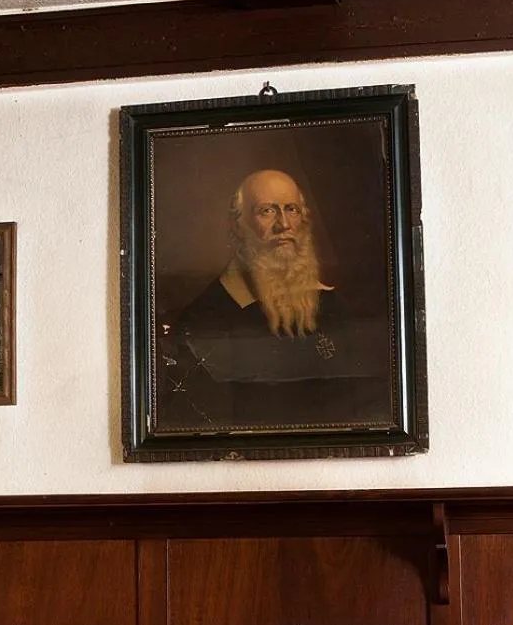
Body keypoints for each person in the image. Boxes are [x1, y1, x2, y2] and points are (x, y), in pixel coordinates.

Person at [159, 169, 390, 431]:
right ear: (238, 225)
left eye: (291, 209)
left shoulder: (333, 305)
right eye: (267, 211)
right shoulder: (206, 317)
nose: (284, 224)